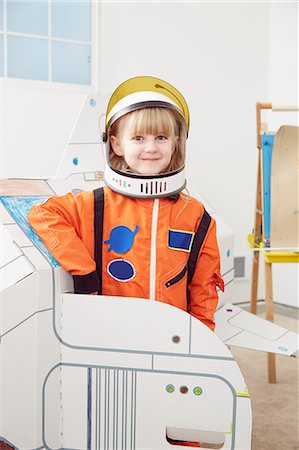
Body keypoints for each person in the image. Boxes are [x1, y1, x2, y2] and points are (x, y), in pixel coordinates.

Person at [28, 76, 224, 331]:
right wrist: (85, 273)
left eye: (162, 137)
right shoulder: (97, 205)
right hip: (111, 333)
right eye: (139, 138)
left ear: (177, 141)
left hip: (171, 336)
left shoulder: (195, 215)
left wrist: (202, 337)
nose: (151, 147)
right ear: (117, 144)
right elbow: (43, 214)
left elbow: (203, 287)